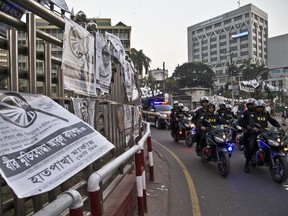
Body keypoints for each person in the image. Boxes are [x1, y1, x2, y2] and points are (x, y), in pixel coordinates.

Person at [244, 99, 282, 174]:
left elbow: (273, 121)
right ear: (256, 107)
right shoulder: (253, 114)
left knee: (273, 143)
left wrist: (279, 127)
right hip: (255, 133)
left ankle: (268, 157)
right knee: (251, 147)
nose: (259, 108)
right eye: (258, 107)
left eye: (261, 107)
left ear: (263, 107)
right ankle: (246, 165)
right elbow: (251, 122)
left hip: (265, 133)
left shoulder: (266, 114)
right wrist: (254, 128)